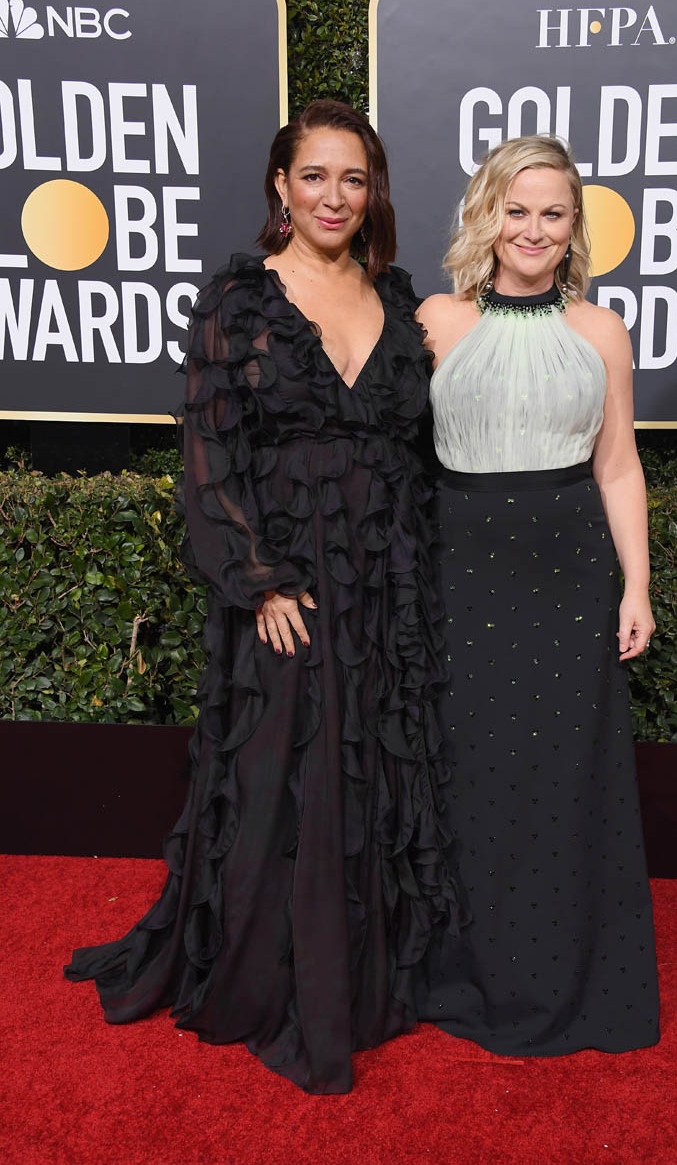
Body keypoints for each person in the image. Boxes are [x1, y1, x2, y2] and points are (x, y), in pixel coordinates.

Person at [65, 100, 463, 1095]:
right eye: (314, 176)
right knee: (286, 767)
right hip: (289, 582)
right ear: (281, 185)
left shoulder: (396, 297)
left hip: (383, 579)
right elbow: (208, 455)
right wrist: (255, 579)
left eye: (353, 179)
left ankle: (368, 973)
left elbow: (415, 453)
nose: (334, 196)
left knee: (376, 760)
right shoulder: (240, 302)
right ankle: (276, 974)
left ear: (372, 193)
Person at [416, 135, 660, 1056]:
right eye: (516, 210)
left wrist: (637, 585)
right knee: (470, 772)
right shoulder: (436, 320)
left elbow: (619, 465)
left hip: (569, 573)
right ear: (487, 215)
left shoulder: (601, 330)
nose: (533, 228)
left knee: (564, 774)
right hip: (459, 567)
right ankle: (469, 969)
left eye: (553, 213)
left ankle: (567, 976)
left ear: (573, 225)